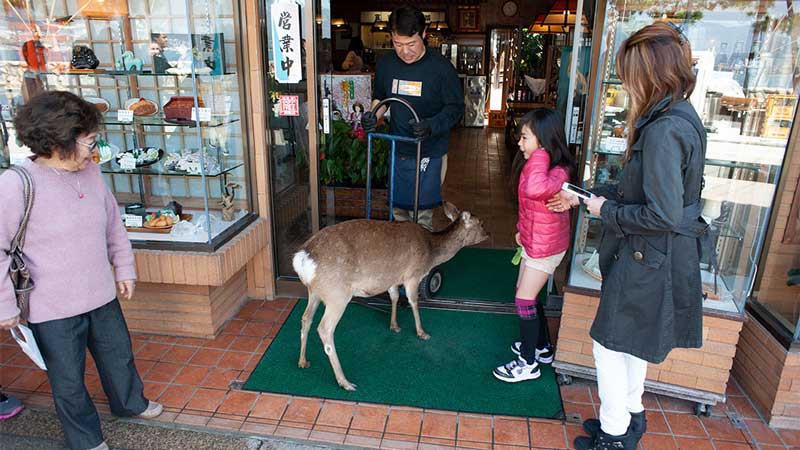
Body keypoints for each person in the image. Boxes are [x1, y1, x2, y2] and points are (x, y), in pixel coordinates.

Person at [549, 22, 706, 450]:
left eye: (629, 73)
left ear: (650, 74)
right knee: (631, 343)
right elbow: (655, 198)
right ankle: (629, 418)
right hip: (660, 255)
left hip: (648, 257)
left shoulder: (662, 130)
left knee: (608, 345)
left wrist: (605, 210)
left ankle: (615, 436)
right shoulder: (679, 115)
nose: (626, 82)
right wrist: (589, 198)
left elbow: (661, 213)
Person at [0, 91, 163, 450]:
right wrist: (6, 307)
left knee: (118, 355)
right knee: (68, 380)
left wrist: (124, 268)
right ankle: (85, 439)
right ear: (60, 141)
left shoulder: (91, 172)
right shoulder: (15, 184)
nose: (94, 148)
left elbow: (112, 226)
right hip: (51, 307)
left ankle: (130, 403)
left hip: (101, 293)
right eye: (88, 141)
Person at [361, 5, 464, 231]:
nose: (405, 52)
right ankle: (403, 263)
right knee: (398, 212)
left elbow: (456, 108)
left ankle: (422, 264)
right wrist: (373, 116)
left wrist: (431, 126)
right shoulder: (387, 64)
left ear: (424, 34)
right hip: (399, 148)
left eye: (411, 44)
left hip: (430, 150)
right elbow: (381, 98)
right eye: (398, 44)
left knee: (422, 215)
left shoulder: (441, 68)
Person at [492, 108, 574, 383]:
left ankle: (528, 363)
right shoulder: (541, 165)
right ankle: (541, 347)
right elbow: (529, 206)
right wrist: (520, 230)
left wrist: (539, 154)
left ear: (543, 140)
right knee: (526, 294)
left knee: (524, 300)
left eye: (525, 137)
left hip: (546, 246)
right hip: (535, 240)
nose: (519, 143)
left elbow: (533, 190)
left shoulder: (554, 169)